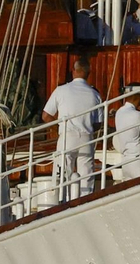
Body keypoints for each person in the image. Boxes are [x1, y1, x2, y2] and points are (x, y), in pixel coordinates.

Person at [41, 56, 103, 201]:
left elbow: (45, 116)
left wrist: (59, 125)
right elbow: (98, 123)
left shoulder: (61, 90)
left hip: (67, 136)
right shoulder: (95, 94)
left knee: (63, 172)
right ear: (88, 73)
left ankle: (63, 201)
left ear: (73, 71)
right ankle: (85, 202)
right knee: (86, 174)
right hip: (87, 137)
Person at [112, 93, 140, 179]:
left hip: (126, 161)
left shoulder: (119, 112)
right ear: (138, 97)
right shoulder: (138, 115)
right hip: (139, 161)